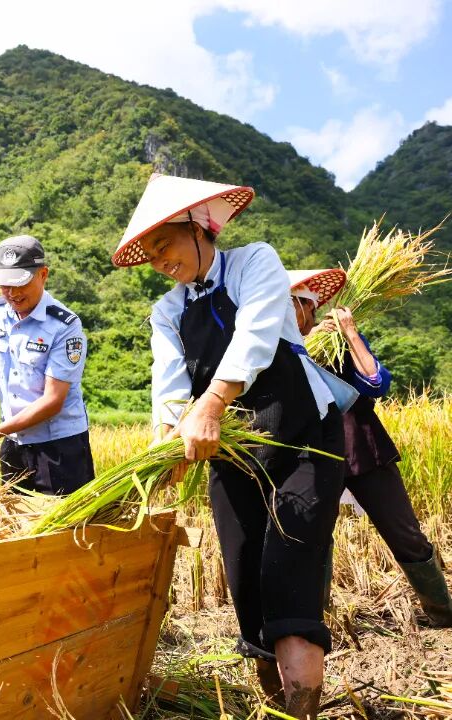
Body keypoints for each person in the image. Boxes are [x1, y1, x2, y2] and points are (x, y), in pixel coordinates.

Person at [114, 173, 354, 719]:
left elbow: (257, 336)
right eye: (149, 254)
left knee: (288, 575)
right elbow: (171, 390)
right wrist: (165, 449)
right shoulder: (167, 312)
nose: (159, 261)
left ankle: (302, 711)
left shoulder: (255, 262)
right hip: (232, 453)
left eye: (164, 244)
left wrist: (211, 405)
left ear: (200, 227)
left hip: (301, 443)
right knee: (245, 576)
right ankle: (278, 706)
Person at [290, 269, 452, 627]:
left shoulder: (334, 343)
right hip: (312, 459)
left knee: (404, 532)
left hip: (361, 449)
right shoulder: (276, 349)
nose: (307, 316)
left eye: (306, 308)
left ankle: (442, 613)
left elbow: (377, 383)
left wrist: (350, 334)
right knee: (314, 539)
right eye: (298, 308)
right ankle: (313, 621)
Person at [0, 235, 93, 495]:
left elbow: (53, 400)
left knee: (61, 529)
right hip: (12, 442)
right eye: (4, 285)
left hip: (59, 447)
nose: (12, 294)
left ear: (43, 274)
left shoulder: (65, 325)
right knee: (14, 521)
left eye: (20, 284)